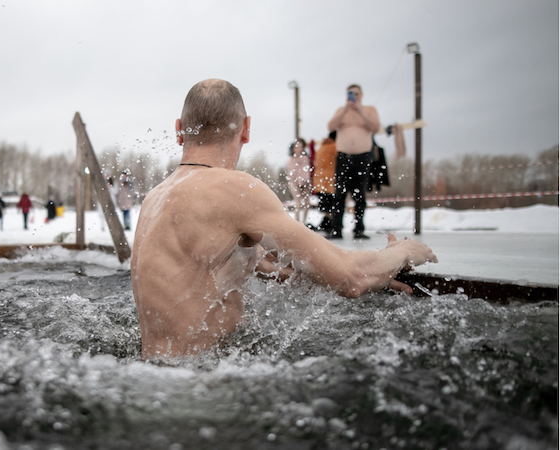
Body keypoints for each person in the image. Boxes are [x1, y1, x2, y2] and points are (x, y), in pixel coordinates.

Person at [130, 79, 437, 359]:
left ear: (179, 128)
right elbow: (350, 277)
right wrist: (403, 252)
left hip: (157, 374)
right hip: (204, 383)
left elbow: (264, 263)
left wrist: (378, 274)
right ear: (246, 129)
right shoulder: (233, 189)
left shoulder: (154, 198)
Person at [327, 84, 380, 240]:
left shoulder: (369, 110)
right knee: (339, 194)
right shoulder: (341, 111)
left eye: (356, 94)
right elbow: (330, 127)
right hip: (343, 157)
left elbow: (375, 127)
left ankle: (358, 229)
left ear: (361, 95)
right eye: (351, 94)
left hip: (362, 157)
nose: (354, 97)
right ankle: (336, 229)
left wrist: (360, 111)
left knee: (360, 194)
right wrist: (345, 109)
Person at [312, 131, 338, 235]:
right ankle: (329, 225)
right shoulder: (334, 146)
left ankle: (325, 223)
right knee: (332, 204)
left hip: (319, 180)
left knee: (326, 205)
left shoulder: (322, 146)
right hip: (329, 179)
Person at [286, 138, 311, 224]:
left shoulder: (305, 158)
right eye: (297, 147)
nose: (299, 149)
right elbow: (292, 174)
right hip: (294, 183)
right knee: (298, 203)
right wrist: (298, 183)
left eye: (301, 147)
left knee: (307, 203)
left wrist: (304, 182)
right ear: (293, 149)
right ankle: (297, 223)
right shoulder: (291, 160)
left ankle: (304, 222)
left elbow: (306, 172)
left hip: (305, 182)